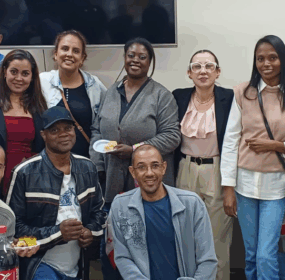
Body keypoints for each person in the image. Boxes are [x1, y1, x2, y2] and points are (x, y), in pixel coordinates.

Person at [220, 35, 285, 280]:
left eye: (272, 57)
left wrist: (276, 145)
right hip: (244, 185)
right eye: (260, 59)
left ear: (283, 60)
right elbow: (231, 140)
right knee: (250, 254)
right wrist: (228, 187)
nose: (266, 64)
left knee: (266, 254)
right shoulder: (244, 92)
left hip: (276, 186)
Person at [89, 37, 180, 279]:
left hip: (148, 187)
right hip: (112, 187)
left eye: (142, 57)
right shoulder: (111, 92)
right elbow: (97, 130)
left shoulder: (161, 95)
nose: (136, 60)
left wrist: (136, 150)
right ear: (124, 58)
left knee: (147, 247)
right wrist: (98, 166)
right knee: (113, 247)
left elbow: (172, 136)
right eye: (131, 55)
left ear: (150, 62)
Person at [6, 106, 105, 280]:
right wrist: (58, 234)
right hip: (40, 265)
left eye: (68, 128)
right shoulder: (24, 172)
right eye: (55, 130)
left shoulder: (88, 168)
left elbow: (99, 212)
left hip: (78, 266)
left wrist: (90, 232)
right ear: (43, 135)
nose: (63, 134)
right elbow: (13, 229)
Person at [110, 144, 218, 279]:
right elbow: (122, 257)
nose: (149, 173)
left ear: (164, 168)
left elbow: (208, 260)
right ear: (133, 172)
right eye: (141, 167)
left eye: (155, 165)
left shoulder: (192, 204)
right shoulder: (120, 206)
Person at [172, 49, 234, 280]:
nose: (203, 71)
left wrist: (230, 186)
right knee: (186, 233)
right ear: (189, 73)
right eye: (197, 66)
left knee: (217, 237)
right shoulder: (178, 96)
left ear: (218, 72)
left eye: (209, 66)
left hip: (217, 170)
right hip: (185, 169)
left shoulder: (230, 98)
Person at [0, 49, 47, 200]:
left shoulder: (40, 108)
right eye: (14, 72)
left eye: (25, 73)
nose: (19, 78)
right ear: (5, 72)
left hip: (28, 180)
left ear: (32, 77)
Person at [40, 30, 106, 158]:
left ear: (82, 58)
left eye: (76, 51)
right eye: (65, 49)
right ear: (55, 54)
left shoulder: (94, 85)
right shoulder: (42, 82)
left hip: (87, 163)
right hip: (51, 163)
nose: (69, 54)